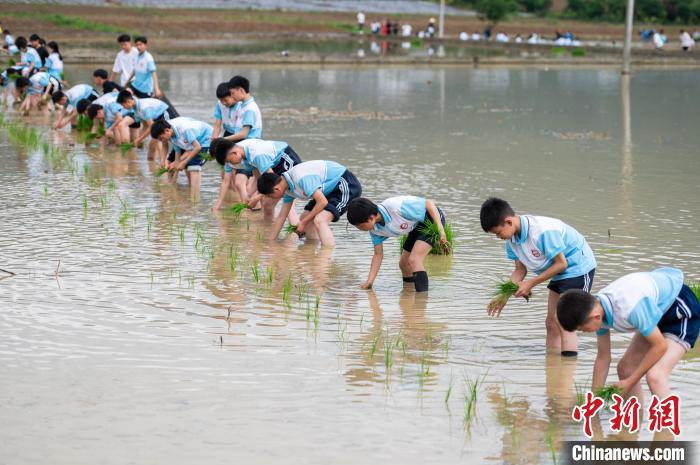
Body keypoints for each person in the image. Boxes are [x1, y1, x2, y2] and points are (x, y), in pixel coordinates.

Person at [557, 267, 699, 399]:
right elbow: (603, 357)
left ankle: (670, 425)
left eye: (583, 329)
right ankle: (635, 420)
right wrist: (594, 400)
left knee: (656, 376)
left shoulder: (630, 307)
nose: (585, 332)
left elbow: (659, 346)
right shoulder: (597, 310)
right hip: (653, 310)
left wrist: (630, 382)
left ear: (595, 317)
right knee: (626, 369)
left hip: (679, 308)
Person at [480, 197, 596, 356]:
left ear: (508, 221)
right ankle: (553, 365)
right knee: (551, 322)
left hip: (578, 266)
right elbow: (520, 271)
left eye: (498, 232)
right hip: (559, 271)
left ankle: (567, 368)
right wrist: (504, 296)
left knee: (563, 320)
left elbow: (562, 263)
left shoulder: (541, 231)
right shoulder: (511, 241)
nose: (498, 237)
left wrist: (530, 284)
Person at [346, 196, 449, 292]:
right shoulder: (374, 230)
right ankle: (409, 294)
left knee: (414, 259)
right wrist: (369, 282)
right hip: (415, 225)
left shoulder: (395, 207)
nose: (359, 230)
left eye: (360, 226)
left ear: (371, 218)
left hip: (431, 219)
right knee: (404, 264)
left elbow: (429, 204)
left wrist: (441, 232)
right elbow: (378, 255)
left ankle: (421, 300)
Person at [256, 160, 362, 246]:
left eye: (269, 196)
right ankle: (311, 253)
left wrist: (303, 223)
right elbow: (281, 217)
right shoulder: (287, 189)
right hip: (327, 191)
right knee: (305, 217)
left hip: (344, 184)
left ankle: (326, 260)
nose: (270, 198)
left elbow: (322, 202)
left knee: (320, 220)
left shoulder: (300, 178)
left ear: (276, 189)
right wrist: (270, 242)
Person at [211, 138, 302, 213]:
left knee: (288, 207)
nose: (230, 164)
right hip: (273, 167)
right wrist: (251, 196)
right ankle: (266, 231)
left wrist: (256, 197)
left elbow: (272, 182)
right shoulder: (244, 156)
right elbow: (259, 177)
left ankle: (296, 231)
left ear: (234, 153)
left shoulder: (257, 154)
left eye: (229, 161)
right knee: (268, 205)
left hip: (284, 159)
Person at [150, 117, 213, 191]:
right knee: (174, 163)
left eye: (161, 138)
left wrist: (183, 162)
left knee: (193, 166)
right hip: (192, 140)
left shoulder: (184, 130)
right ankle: (176, 186)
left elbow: (197, 148)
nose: (161, 141)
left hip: (206, 139)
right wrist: (166, 161)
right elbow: (177, 152)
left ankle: (195, 197)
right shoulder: (170, 133)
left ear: (167, 130)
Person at [116, 90, 178, 158]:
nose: (123, 107)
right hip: (157, 119)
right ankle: (156, 164)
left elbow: (151, 126)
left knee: (156, 143)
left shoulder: (144, 108)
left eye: (123, 105)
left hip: (165, 114)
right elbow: (145, 126)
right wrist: (138, 139)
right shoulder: (136, 110)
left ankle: (164, 162)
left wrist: (139, 139)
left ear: (129, 101)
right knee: (153, 145)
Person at [227, 75, 262, 141]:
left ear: (241, 90)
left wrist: (223, 139)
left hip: (249, 144)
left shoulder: (249, 108)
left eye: (233, 93)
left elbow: (243, 134)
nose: (231, 96)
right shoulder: (241, 105)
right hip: (242, 142)